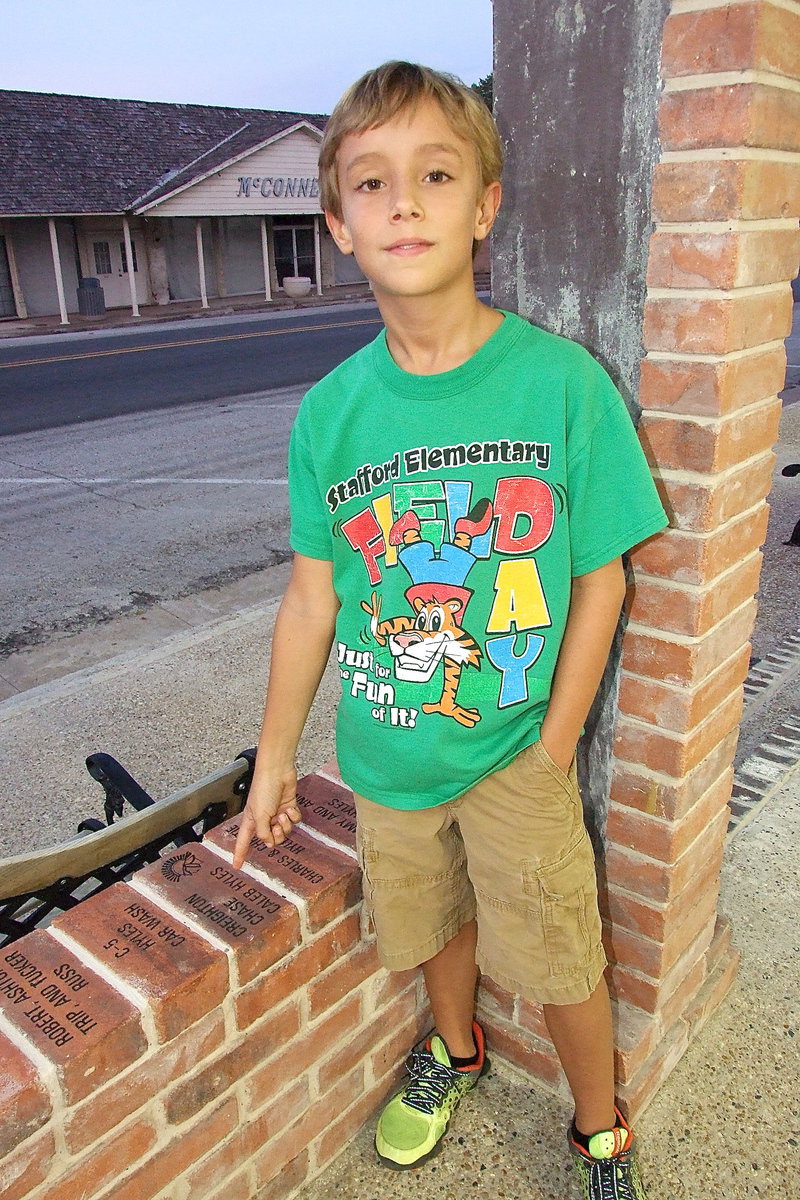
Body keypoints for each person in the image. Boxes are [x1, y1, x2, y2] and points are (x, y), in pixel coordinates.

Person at [233, 60, 667, 1199]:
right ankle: (457, 1050)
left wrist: (557, 738)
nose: (404, 203)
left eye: (434, 174)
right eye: (371, 184)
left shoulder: (560, 388)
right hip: (386, 753)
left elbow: (601, 580)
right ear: (336, 225)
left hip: (515, 749)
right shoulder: (330, 413)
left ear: (483, 207)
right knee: (430, 926)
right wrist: (274, 757)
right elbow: (314, 597)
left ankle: (598, 1128)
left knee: (564, 950)